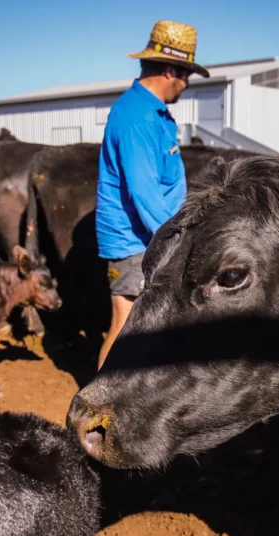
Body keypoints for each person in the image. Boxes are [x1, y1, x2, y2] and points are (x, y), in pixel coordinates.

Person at [94, 20, 210, 370]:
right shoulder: (138, 117)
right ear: (171, 69)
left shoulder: (153, 113)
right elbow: (144, 193)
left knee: (142, 327)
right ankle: (95, 408)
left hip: (147, 236)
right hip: (135, 241)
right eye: (186, 74)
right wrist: (179, 239)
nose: (187, 84)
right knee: (124, 325)